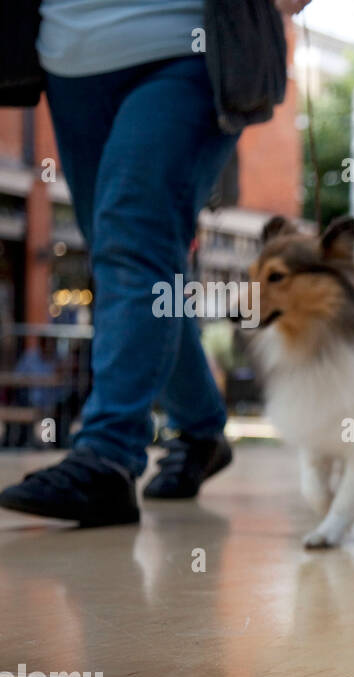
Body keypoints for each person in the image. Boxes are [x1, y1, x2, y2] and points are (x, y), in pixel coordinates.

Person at [0, 0, 307, 528]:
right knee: (130, 261)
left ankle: (108, 454)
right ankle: (201, 425)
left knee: (133, 239)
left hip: (188, 44)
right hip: (71, 59)